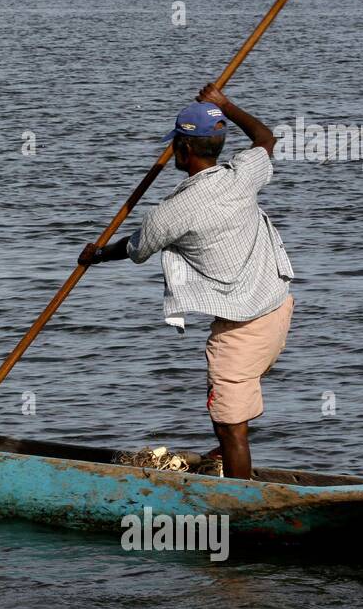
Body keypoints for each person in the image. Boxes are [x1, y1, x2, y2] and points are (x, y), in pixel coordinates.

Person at [79, 83, 294, 480]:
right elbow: (265, 137)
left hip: (242, 329)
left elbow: (136, 249)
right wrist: (225, 104)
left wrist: (97, 254)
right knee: (229, 409)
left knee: (231, 425)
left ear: (182, 150)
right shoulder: (242, 174)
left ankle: (239, 500)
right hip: (279, 306)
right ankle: (223, 458)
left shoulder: (171, 213)